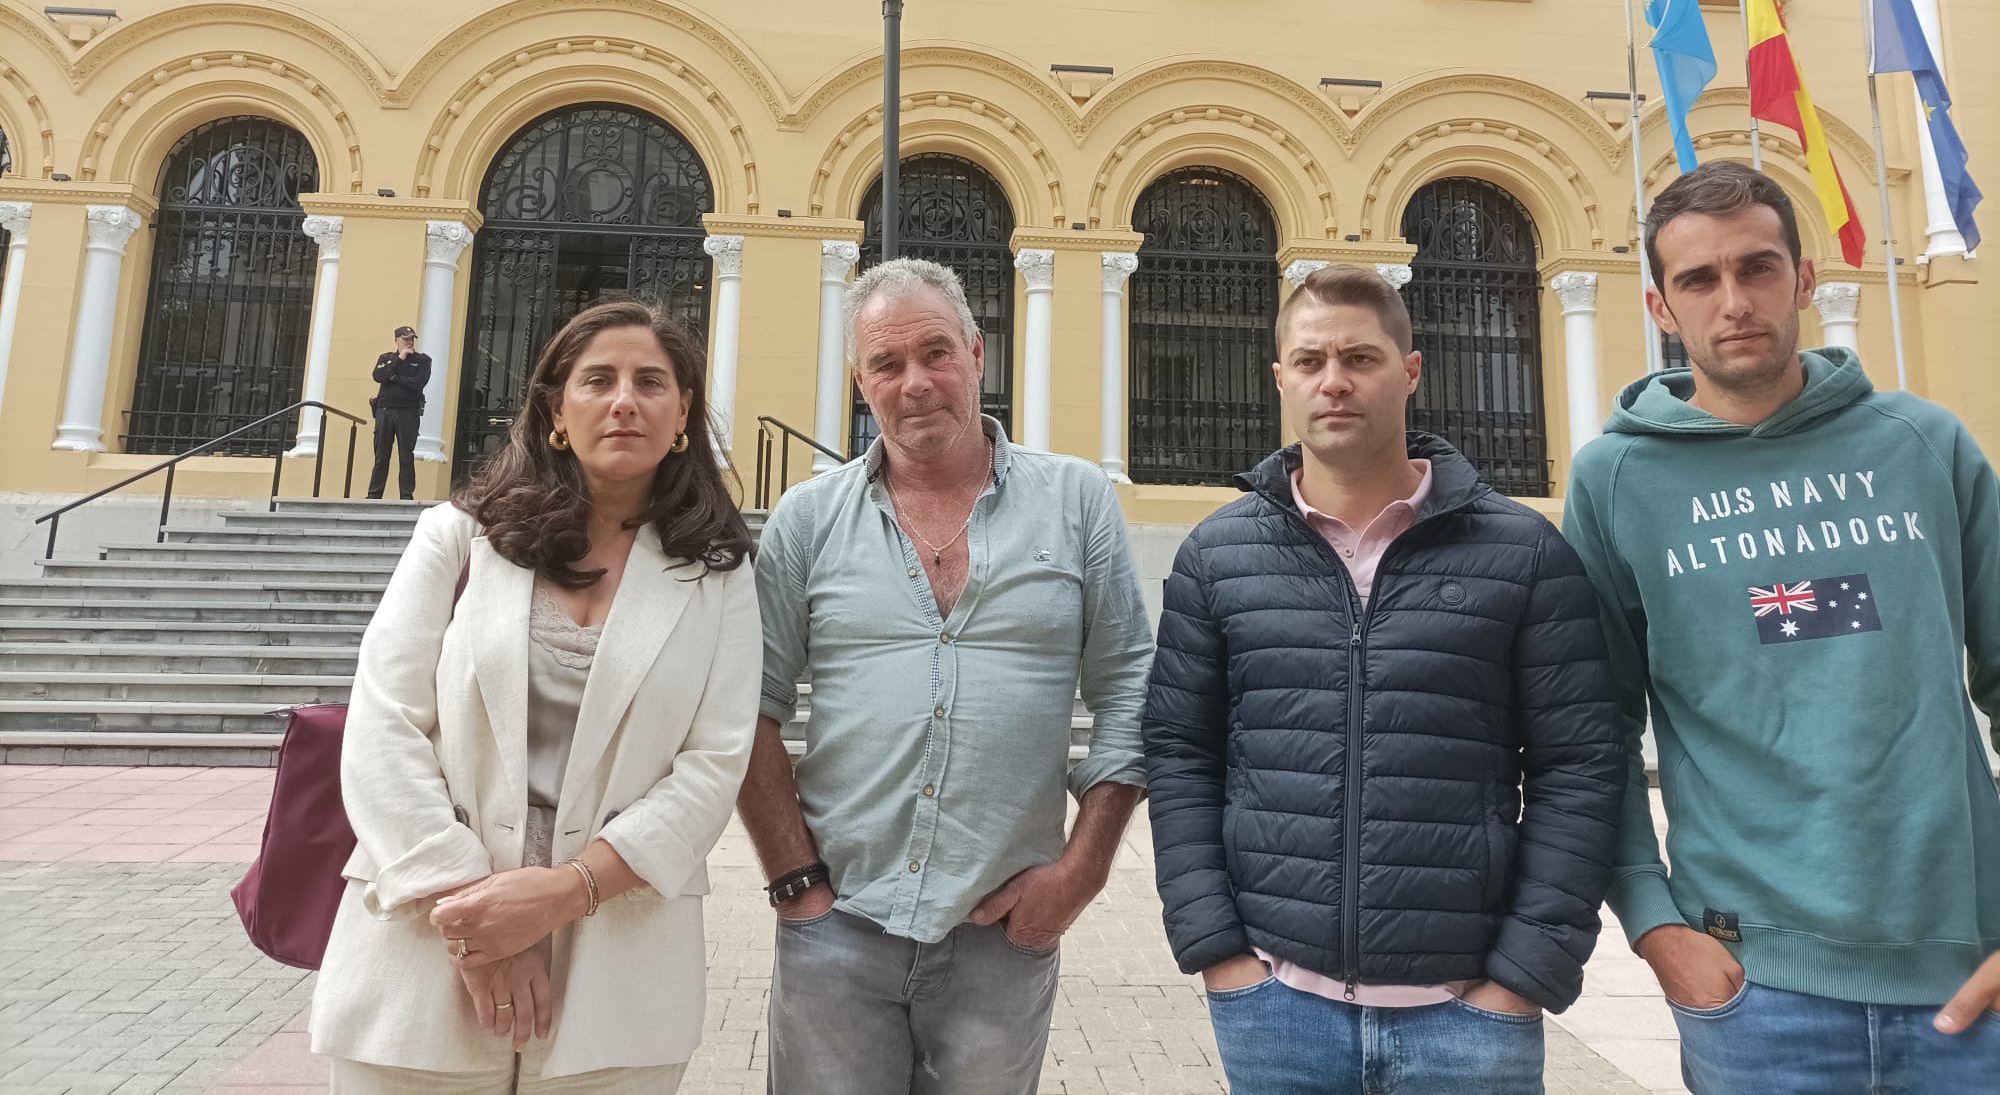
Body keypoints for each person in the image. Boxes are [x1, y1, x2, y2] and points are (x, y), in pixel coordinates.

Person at [1563, 159, 2000, 1094]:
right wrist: (1653, 923)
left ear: (1803, 280)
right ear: (1659, 307)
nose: (1735, 302)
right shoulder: (1615, 482)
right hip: (1756, 994)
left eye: (1758, 268)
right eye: (1699, 279)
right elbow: (1593, 723)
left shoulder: (1926, 446)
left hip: (1970, 982)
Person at [1145, 263, 1624, 1095]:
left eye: (1361, 359)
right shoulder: (1219, 556)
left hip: (1467, 1016)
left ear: (1410, 371)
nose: (1334, 381)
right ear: (1281, 379)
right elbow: (1180, 751)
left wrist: (1525, 974)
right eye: (1310, 361)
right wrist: (1216, 951)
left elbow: (1579, 764)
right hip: (1275, 1009)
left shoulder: (1523, 555)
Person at [311, 299, 762, 1092]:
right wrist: (485, 925)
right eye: (599, 380)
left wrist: (562, 893)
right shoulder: (458, 538)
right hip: (426, 951)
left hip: (621, 969)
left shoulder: (717, 573)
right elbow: (383, 727)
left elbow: (713, 763)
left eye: (651, 382)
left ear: (682, 411)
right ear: (556, 407)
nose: (626, 399)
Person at [740, 257, 1154, 1095]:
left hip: (1004, 932)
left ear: (976, 353)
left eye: (935, 353)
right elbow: (749, 705)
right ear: (862, 384)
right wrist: (795, 885)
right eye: (887, 365)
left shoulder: (1075, 501)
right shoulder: (806, 521)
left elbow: (1130, 685)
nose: (915, 382)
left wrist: (1083, 871)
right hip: (838, 926)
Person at [367, 326, 430, 501]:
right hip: (384, 411)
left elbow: (418, 384)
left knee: (406, 456)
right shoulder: (386, 358)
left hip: (408, 413)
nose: (409, 342)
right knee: (381, 456)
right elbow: (379, 376)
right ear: (397, 340)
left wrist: (394, 378)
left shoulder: (422, 360)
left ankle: (406, 495)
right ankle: (374, 494)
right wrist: (399, 360)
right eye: (405, 338)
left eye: (412, 338)